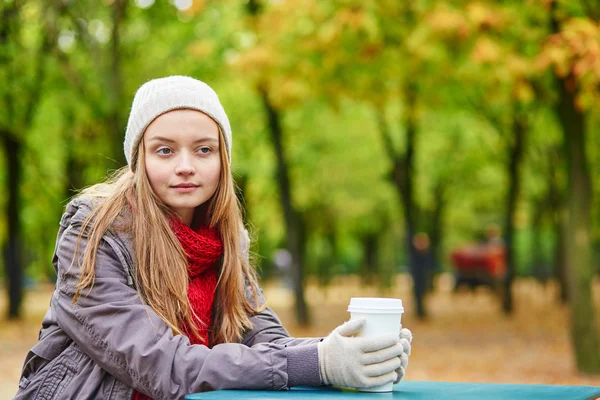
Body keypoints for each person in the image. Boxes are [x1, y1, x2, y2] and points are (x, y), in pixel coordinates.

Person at [13, 76, 413, 400]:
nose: (186, 167)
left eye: (204, 149)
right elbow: (160, 365)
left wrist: (353, 351)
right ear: (139, 159)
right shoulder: (93, 235)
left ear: (223, 160)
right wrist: (320, 363)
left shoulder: (225, 241)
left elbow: (267, 340)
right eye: (164, 151)